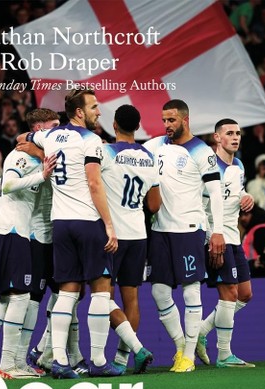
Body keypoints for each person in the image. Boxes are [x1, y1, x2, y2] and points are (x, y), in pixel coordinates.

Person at [19, 87, 121, 378]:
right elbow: (94, 184)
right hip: (87, 221)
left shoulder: (50, 135)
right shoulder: (91, 140)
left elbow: (21, 139)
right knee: (101, 289)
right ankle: (98, 361)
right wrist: (109, 225)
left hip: (61, 224)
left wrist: (42, 154)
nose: (98, 112)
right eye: (93, 107)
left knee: (67, 291)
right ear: (79, 112)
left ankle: (60, 362)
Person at [0, 115, 57, 379]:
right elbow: (7, 185)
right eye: (53, 127)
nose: (57, 131)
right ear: (38, 129)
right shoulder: (21, 155)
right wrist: (41, 175)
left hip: (12, 231)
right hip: (14, 232)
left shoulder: (38, 158)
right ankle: (8, 364)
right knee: (20, 298)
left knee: (7, 298)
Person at [143, 99, 225, 373]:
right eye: (164, 120)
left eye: (172, 120)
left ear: (185, 120)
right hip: (159, 230)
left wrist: (217, 231)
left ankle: (189, 355)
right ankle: (181, 345)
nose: (167, 125)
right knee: (159, 291)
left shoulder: (202, 151)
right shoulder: (155, 145)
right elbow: (129, 154)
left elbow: (215, 193)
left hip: (189, 230)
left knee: (191, 291)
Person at [100, 104, 161, 374]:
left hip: (112, 235)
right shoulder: (149, 157)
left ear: (114, 125)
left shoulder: (106, 152)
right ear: (137, 127)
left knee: (102, 296)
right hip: (138, 234)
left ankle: (137, 349)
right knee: (132, 298)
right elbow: (154, 205)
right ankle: (122, 360)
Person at [196, 118, 255, 368]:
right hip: (216, 237)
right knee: (229, 293)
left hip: (234, 235)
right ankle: (224, 354)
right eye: (229, 133)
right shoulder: (208, 167)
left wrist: (246, 196)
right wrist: (211, 236)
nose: (235, 137)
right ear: (217, 138)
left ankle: (200, 332)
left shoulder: (238, 165)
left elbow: (236, 191)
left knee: (245, 294)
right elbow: (200, 205)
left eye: (238, 133)